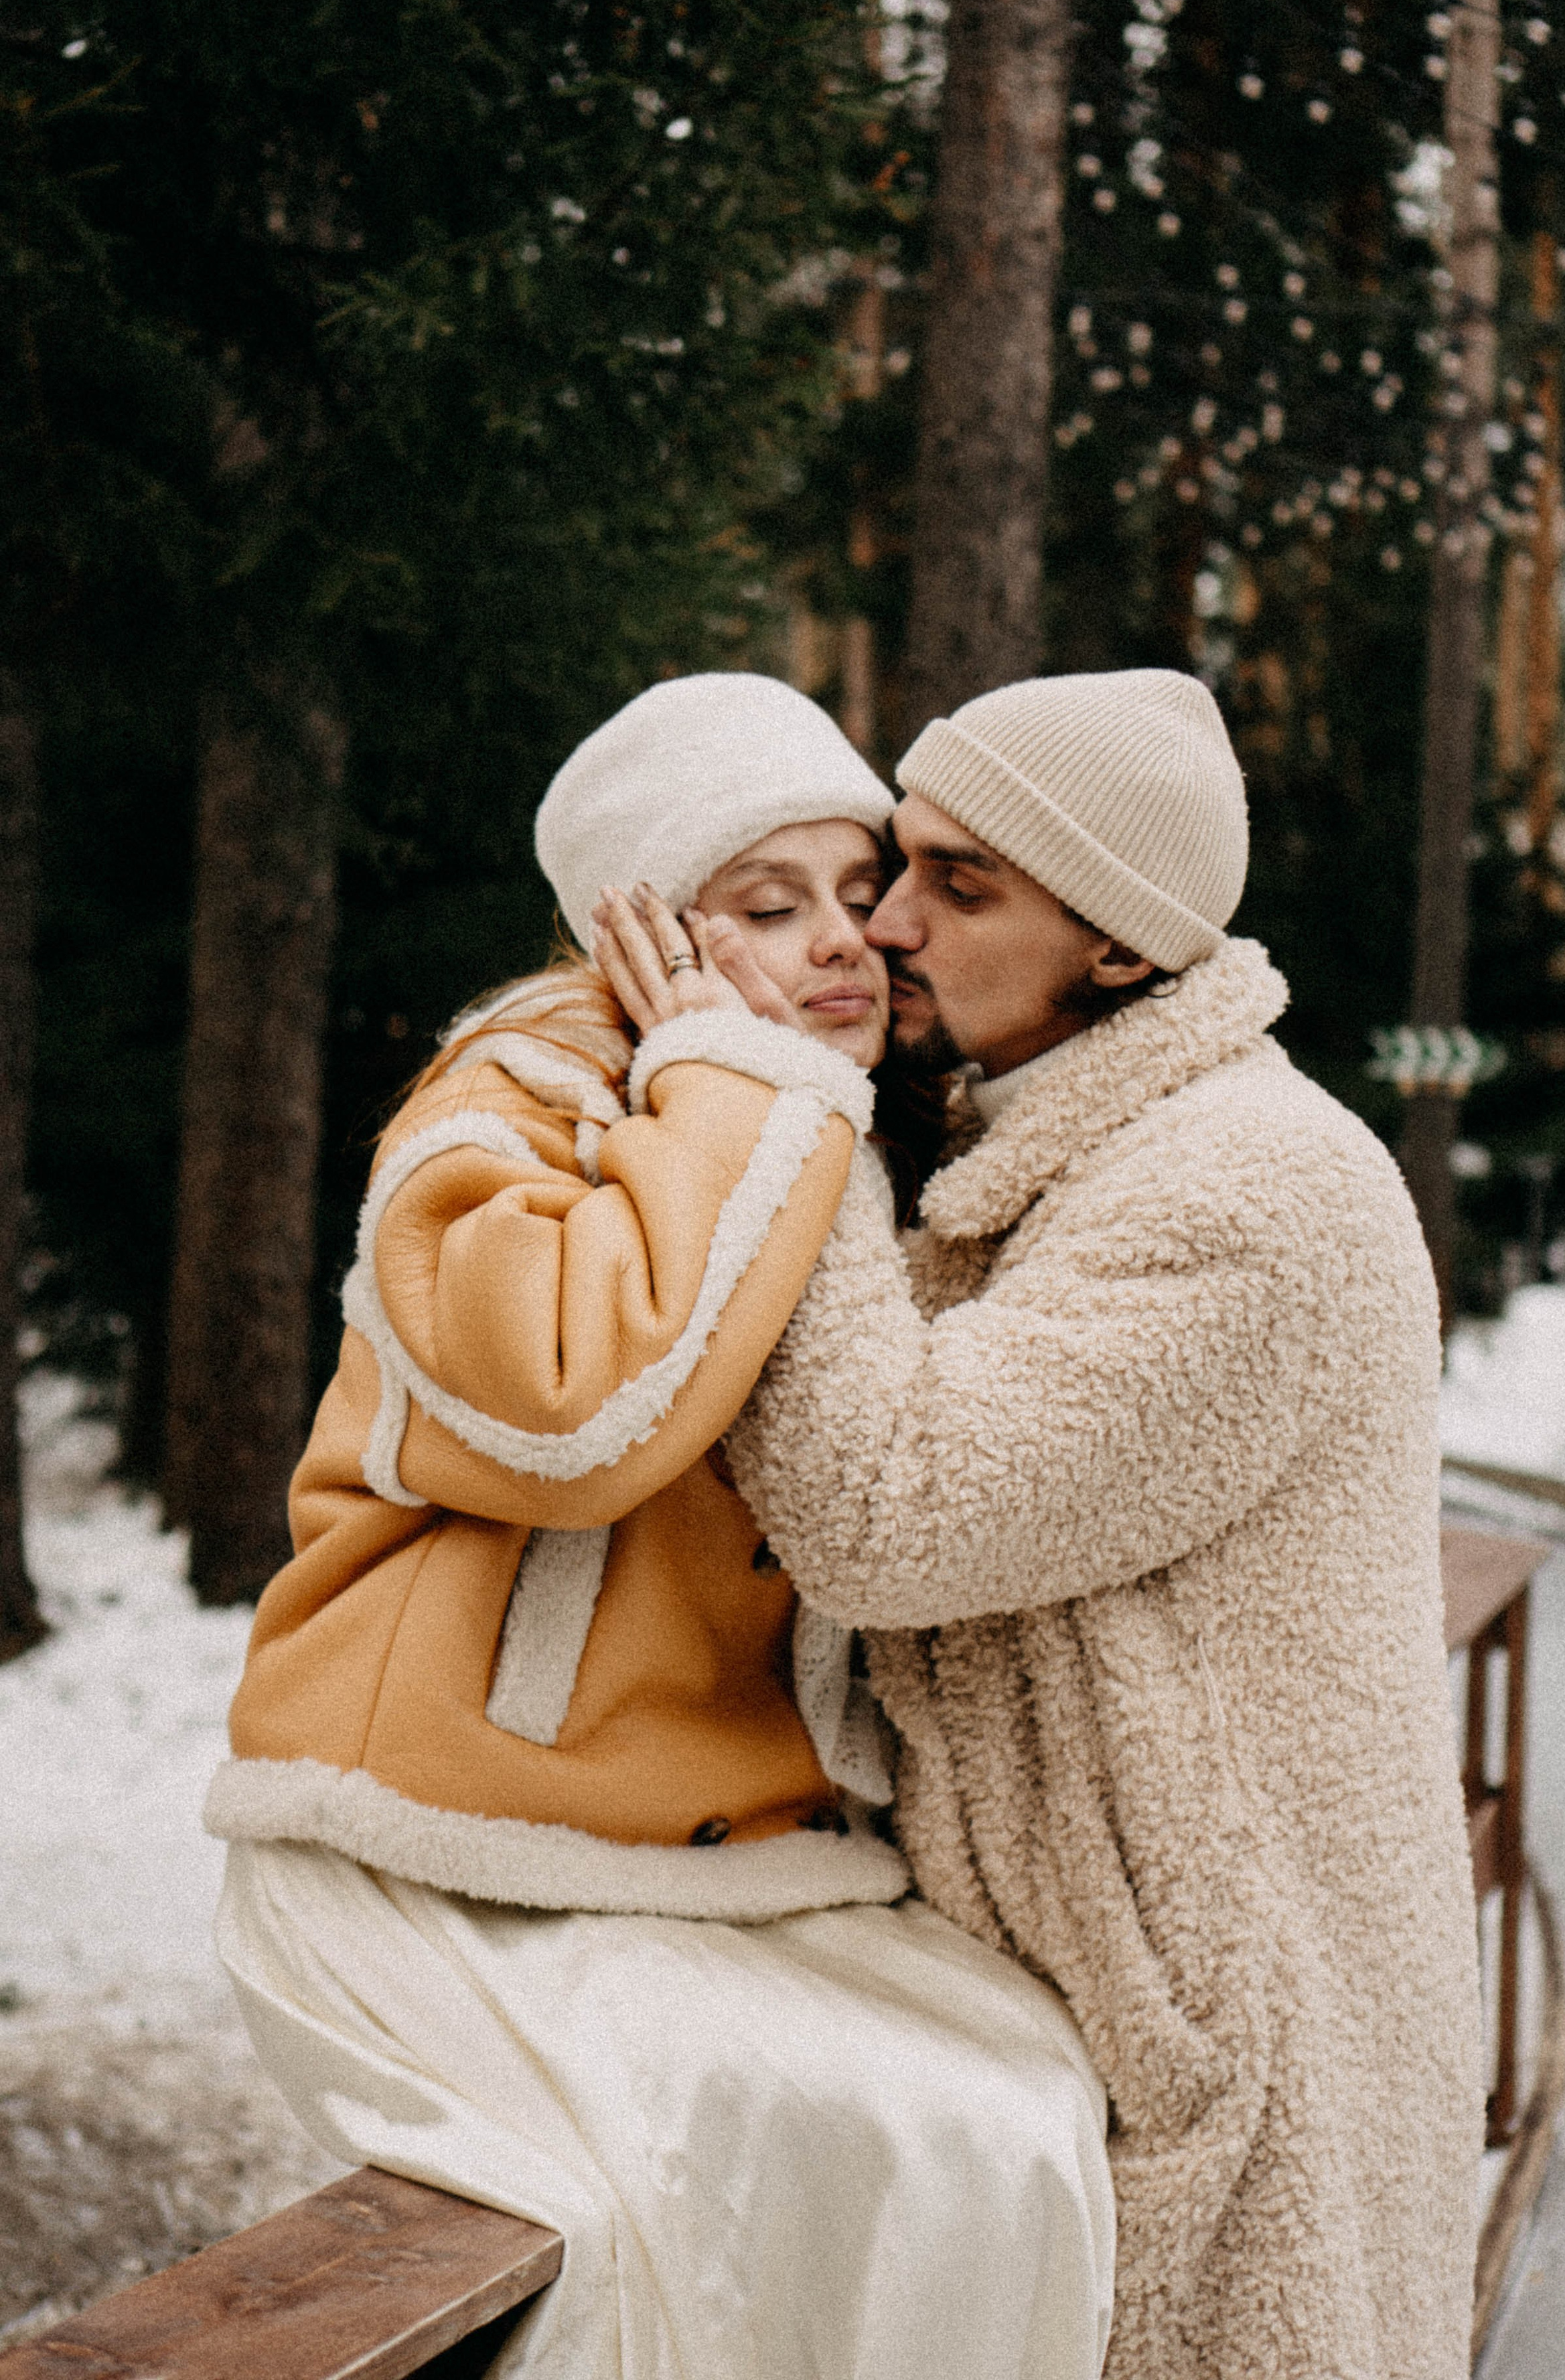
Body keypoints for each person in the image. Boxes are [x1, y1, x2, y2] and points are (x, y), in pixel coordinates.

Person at [205, 673, 1115, 2380]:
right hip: (441, 1849)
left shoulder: (834, 1127)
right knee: (764, 2189)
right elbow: (571, 1408)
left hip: (724, 1865)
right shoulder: (504, 1106)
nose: (843, 942)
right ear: (631, 934)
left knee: (1024, 2110)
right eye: (765, 906)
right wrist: (736, 1079)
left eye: (859, 893)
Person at [648, 670, 1485, 2380]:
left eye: (959, 886)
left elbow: (889, 1513)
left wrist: (773, 1094)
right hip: (1080, 2014)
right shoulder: (1052, 1145)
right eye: (900, 860)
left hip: (1231, 2046)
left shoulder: (1249, 1188)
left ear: (1114, 947)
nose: (885, 923)